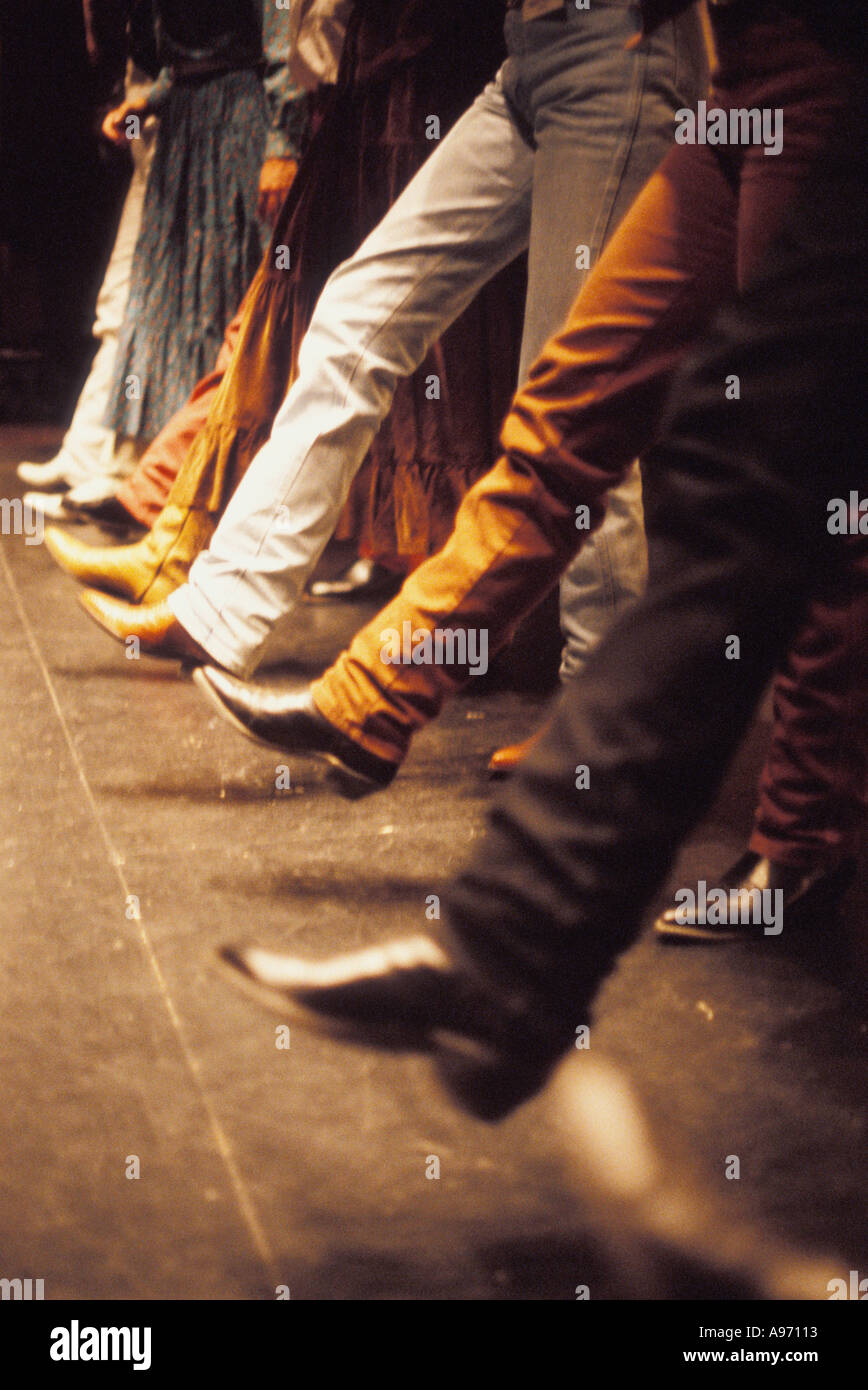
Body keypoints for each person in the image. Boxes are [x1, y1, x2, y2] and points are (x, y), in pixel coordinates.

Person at [213, 8, 867, 1118]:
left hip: (826, 64)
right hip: (732, 68)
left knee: (785, 478)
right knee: (571, 401)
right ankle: (377, 694)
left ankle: (796, 841)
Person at [58, 0, 707, 708]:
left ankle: (600, 709)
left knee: (571, 399)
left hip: (617, 47)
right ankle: (222, 609)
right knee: (355, 309)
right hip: (527, 57)